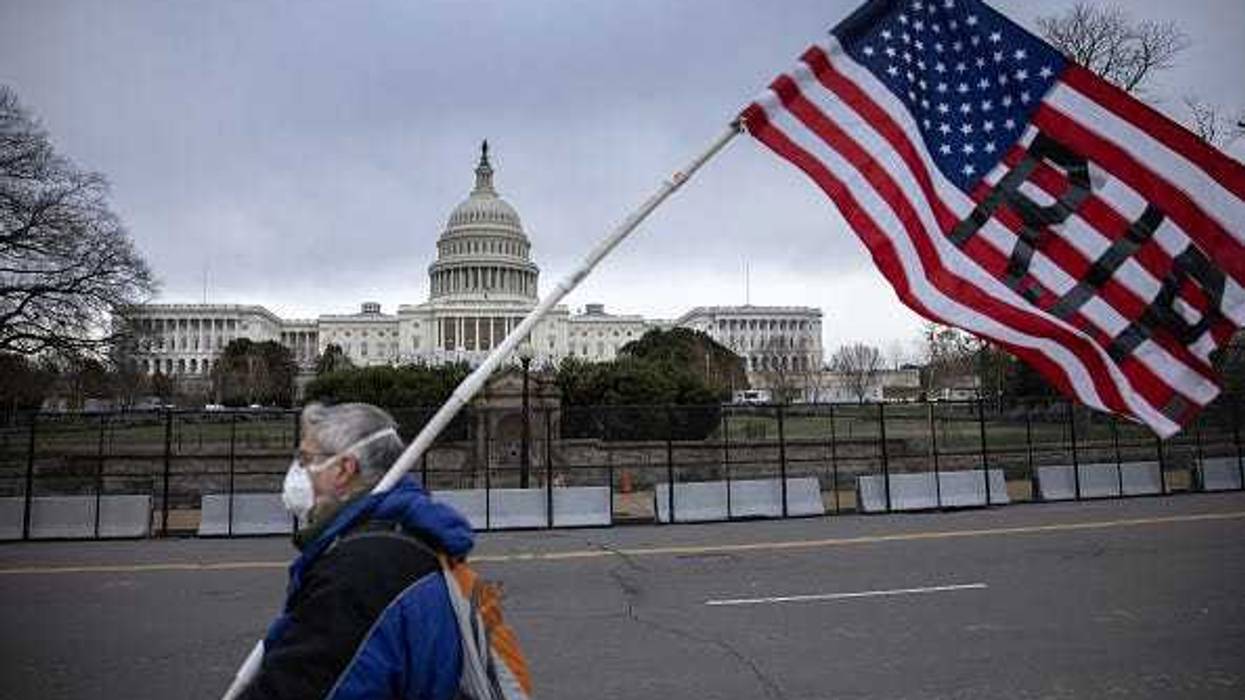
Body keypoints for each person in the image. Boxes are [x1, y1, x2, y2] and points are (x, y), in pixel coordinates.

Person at [236, 402, 531, 699]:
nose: (297, 471)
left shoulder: (359, 573)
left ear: (343, 469)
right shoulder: (411, 538)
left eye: (305, 459)